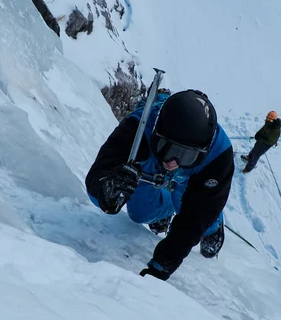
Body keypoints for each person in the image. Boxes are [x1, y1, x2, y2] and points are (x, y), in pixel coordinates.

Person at [86, 88, 232, 280]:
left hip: (192, 175)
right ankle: (163, 210)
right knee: (140, 214)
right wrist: (108, 191)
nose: (173, 162)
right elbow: (97, 175)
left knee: (195, 211)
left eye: (184, 155)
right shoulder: (136, 131)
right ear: (156, 132)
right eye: (168, 148)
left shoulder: (218, 155)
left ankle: (214, 227)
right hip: (150, 163)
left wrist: (161, 266)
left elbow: (196, 217)